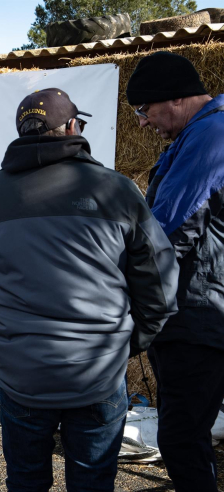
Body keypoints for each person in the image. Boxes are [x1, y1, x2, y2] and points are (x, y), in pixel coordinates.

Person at [0, 88, 179, 491]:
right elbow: (160, 283)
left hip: (21, 373)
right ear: (73, 127)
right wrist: (131, 341)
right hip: (97, 371)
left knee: (25, 481)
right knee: (93, 482)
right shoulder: (116, 190)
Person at [126, 51, 224, 492]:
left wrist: (118, 285)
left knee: (181, 438)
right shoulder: (199, 135)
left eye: (144, 109)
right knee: (187, 432)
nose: (141, 122)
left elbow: (170, 232)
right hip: (194, 310)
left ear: (176, 98)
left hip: (198, 315)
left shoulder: (210, 137)